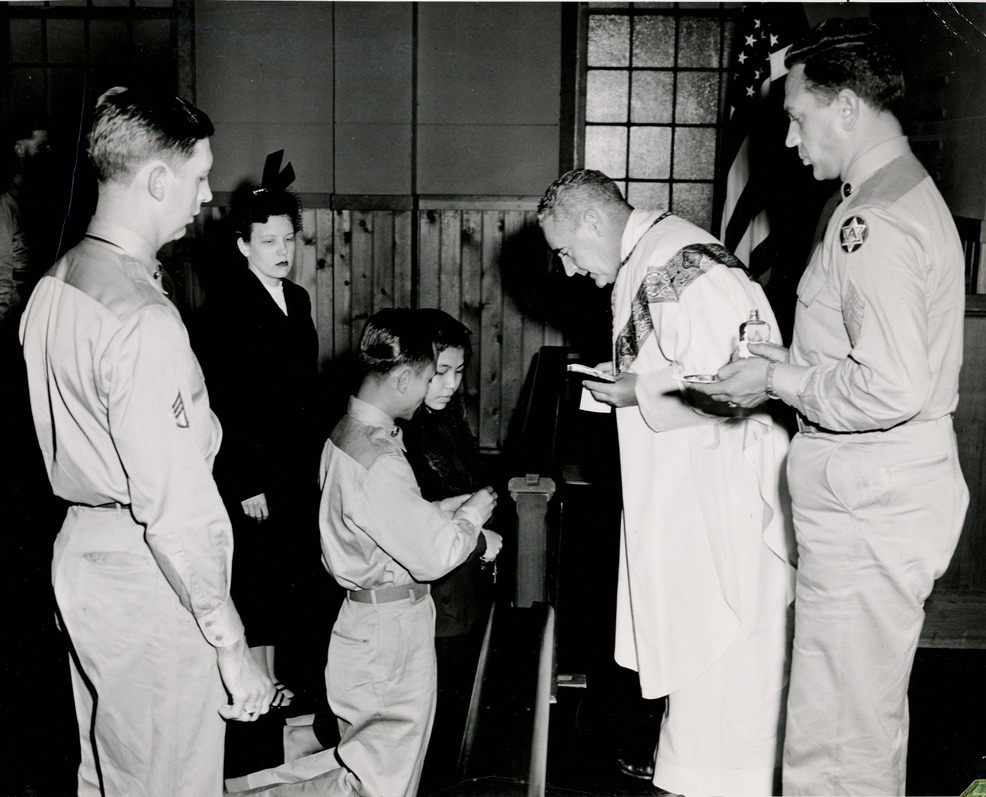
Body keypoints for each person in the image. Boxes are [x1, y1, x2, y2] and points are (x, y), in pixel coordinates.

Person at [690, 19, 969, 796]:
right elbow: (873, 359)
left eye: (798, 116)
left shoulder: (870, 221)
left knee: (835, 743)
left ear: (846, 108)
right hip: (880, 491)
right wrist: (781, 365)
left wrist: (778, 382)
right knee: (857, 722)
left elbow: (888, 386)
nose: (788, 139)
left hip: (865, 503)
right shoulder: (896, 194)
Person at [18, 86, 274, 797]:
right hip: (150, 576)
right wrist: (231, 643)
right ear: (158, 179)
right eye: (200, 176)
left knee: (108, 774)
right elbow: (177, 507)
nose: (207, 196)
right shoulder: (140, 316)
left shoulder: (59, 281)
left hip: (82, 557)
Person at [537, 168, 796, 796]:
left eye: (567, 251)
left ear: (593, 220)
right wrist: (628, 387)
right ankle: (698, 773)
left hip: (723, 491)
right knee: (698, 647)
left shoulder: (681, 265)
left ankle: (727, 781)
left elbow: (737, 385)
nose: (569, 269)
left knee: (725, 642)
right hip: (691, 483)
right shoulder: (650, 257)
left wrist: (639, 391)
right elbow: (681, 366)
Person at [225, 307, 502, 797]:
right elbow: (434, 556)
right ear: (403, 379)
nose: (433, 390)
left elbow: (373, 521)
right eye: (428, 378)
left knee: (362, 767)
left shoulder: (348, 432)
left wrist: (434, 510)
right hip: (389, 632)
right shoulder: (380, 457)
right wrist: (473, 518)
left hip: (369, 623)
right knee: (380, 782)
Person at [195, 182, 320, 711]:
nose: (283, 251)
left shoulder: (298, 299)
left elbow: (307, 386)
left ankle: (275, 679)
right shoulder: (224, 308)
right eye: (268, 241)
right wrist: (245, 480)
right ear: (243, 244)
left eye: (289, 239)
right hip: (252, 470)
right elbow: (222, 402)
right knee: (257, 576)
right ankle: (257, 684)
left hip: (294, 462)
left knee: (287, 570)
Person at [399, 308, 497, 793]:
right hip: (434, 594)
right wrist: (477, 535)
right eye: (440, 373)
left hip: (462, 585)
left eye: (459, 372)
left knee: (457, 706)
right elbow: (412, 521)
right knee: (434, 716)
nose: (452, 385)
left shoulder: (446, 418)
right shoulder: (402, 430)